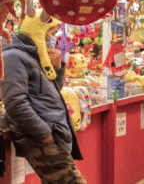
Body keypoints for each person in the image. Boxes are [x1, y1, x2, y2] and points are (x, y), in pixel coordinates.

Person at [1, 18, 86, 183]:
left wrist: (57, 68)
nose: (52, 38)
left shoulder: (35, 54)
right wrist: (45, 135)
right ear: (38, 30)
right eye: (51, 33)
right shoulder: (12, 55)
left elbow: (54, 92)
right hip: (41, 139)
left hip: (55, 134)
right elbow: (15, 104)